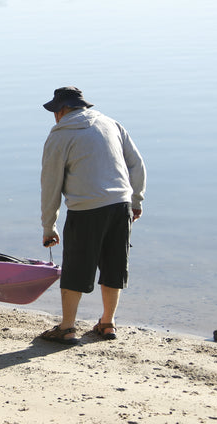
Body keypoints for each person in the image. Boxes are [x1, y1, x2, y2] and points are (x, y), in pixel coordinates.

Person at [39, 86, 146, 344]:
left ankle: (67, 328)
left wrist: (49, 227)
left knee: (75, 269)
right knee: (114, 266)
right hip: (120, 205)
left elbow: (50, 185)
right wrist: (136, 200)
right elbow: (136, 163)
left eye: (56, 111)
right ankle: (107, 323)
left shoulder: (59, 136)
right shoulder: (111, 124)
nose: (55, 116)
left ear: (62, 110)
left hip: (85, 210)